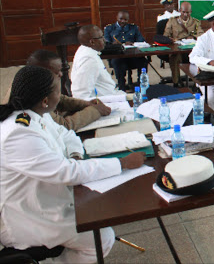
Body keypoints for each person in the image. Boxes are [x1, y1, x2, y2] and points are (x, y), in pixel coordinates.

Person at [0, 66, 145, 263]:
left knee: (97, 211)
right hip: (27, 216)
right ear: (45, 101)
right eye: (58, 92)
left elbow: (67, 134)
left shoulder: (36, 114)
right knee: (102, 238)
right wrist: (122, 163)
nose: (61, 97)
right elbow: (65, 172)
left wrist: (76, 155)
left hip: (48, 197)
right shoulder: (19, 133)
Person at [1, 50, 111, 131]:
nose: (61, 74)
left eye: (60, 70)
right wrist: (95, 111)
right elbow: (63, 126)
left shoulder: (30, 81)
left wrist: (85, 104)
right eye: (55, 72)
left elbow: (60, 99)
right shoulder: (30, 95)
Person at [71, 25, 125, 99]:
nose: (104, 40)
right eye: (101, 37)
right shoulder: (89, 60)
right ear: (92, 42)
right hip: (106, 101)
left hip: (109, 96)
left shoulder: (84, 49)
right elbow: (81, 94)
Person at [162, 1, 204, 85]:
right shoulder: (172, 21)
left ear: (190, 12)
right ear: (179, 10)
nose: (185, 14)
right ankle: (176, 82)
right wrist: (171, 39)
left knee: (201, 57)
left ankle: (198, 81)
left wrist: (193, 37)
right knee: (174, 58)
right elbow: (165, 36)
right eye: (183, 12)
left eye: (187, 12)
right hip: (177, 49)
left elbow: (201, 34)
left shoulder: (196, 22)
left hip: (191, 49)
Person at [104, 11, 147, 91]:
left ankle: (140, 85)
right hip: (118, 56)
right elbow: (106, 44)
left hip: (133, 55)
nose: (123, 21)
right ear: (117, 17)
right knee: (118, 64)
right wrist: (114, 44)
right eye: (121, 19)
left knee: (143, 61)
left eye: (125, 19)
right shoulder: (109, 28)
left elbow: (141, 40)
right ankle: (122, 87)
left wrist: (133, 43)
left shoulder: (133, 27)